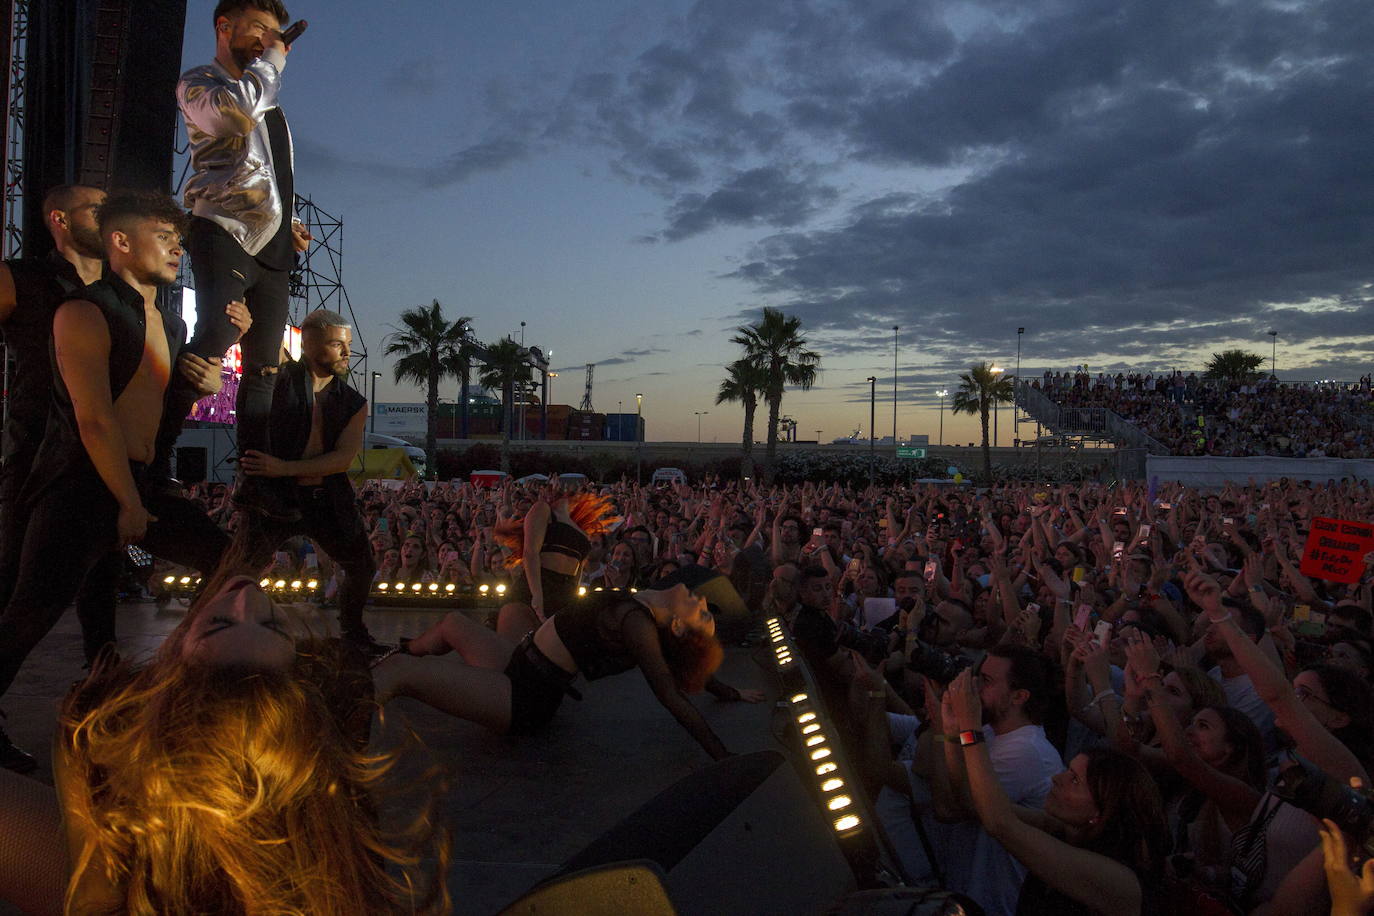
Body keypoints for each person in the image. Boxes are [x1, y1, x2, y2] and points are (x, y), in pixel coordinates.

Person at [40, 569, 449, 914]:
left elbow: (92, 897)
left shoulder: (98, 721)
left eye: (219, 624)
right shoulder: (335, 714)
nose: (249, 599)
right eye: (274, 625)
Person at [0, 192, 233, 772]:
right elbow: (94, 419)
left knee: (230, 561)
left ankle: (169, 686)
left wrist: (202, 386)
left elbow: (155, 408)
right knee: (29, 615)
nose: (177, 249)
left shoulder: (169, 318)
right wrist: (125, 504)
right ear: (122, 243)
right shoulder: (83, 311)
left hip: (143, 480)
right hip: (79, 484)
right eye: (165, 236)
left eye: (179, 239)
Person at [154, 0, 311, 518]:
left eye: (275, 32)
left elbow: (265, 170)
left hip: (270, 240)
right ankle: (156, 449)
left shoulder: (269, 99)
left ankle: (255, 479)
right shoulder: (200, 83)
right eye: (260, 29)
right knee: (220, 331)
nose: (269, 39)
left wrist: (286, 221)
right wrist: (274, 63)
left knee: (265, 363)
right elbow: (229, 117)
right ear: (225, 26)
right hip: (221, 226)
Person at [378, 582, 762, 759]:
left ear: (678, 626)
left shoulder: (636, 623)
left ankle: (342, 713)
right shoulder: (648, 605)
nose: (705, 599)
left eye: (704, 613)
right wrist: (729, 691)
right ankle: (401, 648)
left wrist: (723, 757)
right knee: (460, 620)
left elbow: (669, 693)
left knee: (401, 673)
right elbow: (686, 665)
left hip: (523, 700)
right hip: (518, 663)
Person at [940, 667, 1169, 915]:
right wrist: (952, 734)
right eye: (1068, 771)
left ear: (1103, 810)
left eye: (1074, 781)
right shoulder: (1063, 829)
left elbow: (1000, 824)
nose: (1057, 779)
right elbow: (972, 804)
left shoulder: (1117, 880)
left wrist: (971, 729)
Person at [235, 308, 385, 655]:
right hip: (274, 497)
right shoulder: (281, 379)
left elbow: (342, 459)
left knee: (361, 566)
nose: (347, 353)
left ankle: (353, 631)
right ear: (309, 344)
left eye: (347, 345)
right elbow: (261, 341)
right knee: (239, 570)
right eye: (337, 345)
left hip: (324, 496)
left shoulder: (352, 403)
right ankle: (222, 630)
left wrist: (280, 467)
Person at [493, 484, 616, 641]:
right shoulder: (543, 509)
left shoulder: (578, 527)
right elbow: (530, 552)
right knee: (518, 650)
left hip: (564, 593)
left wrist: (573, 598)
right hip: (540, 583)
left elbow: (578, 568)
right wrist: (537, 595)